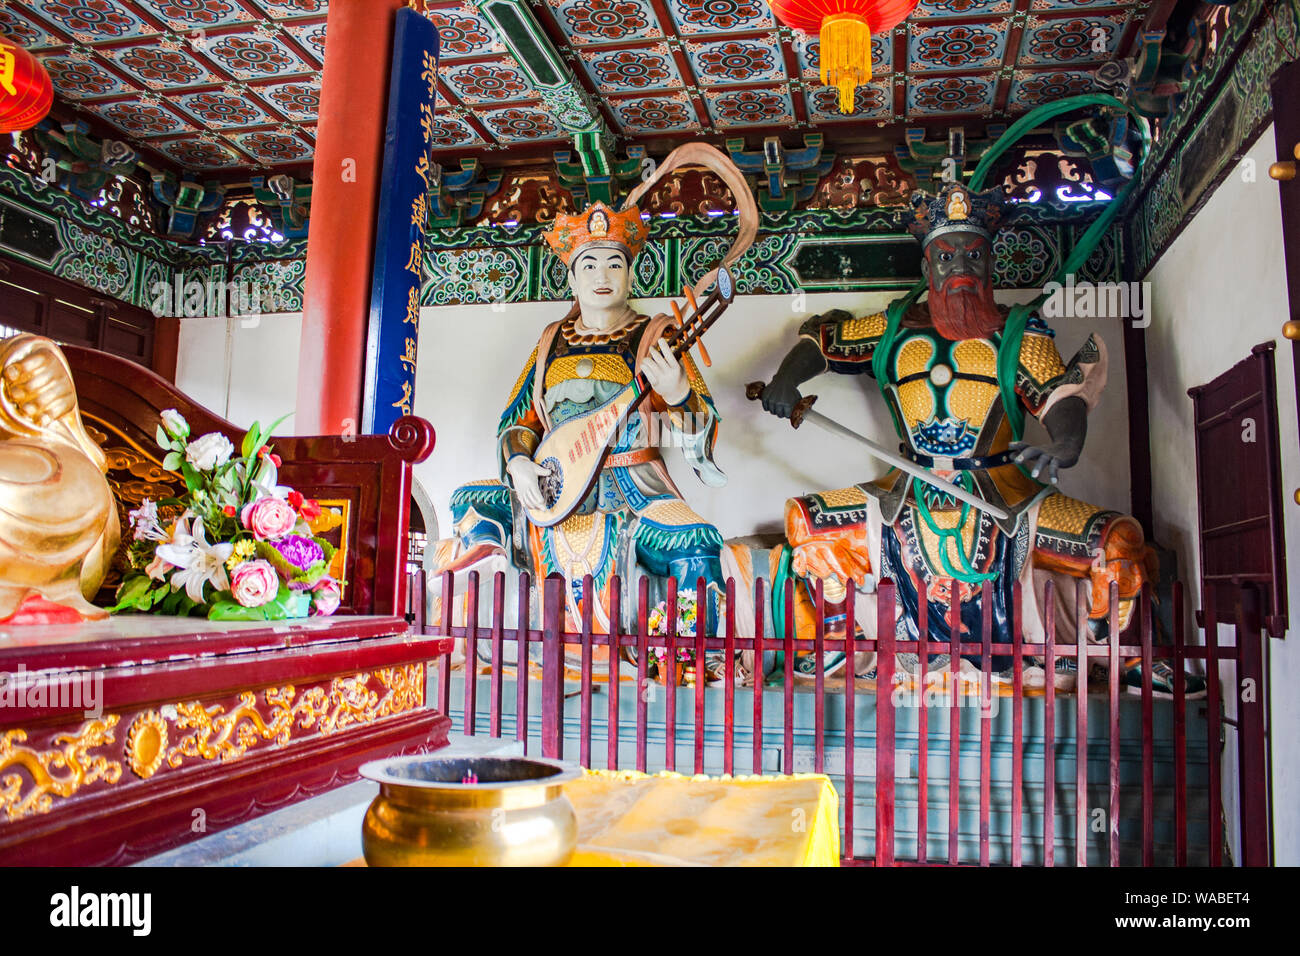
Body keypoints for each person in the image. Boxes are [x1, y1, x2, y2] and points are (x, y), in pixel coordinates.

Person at [754, 183, 1197, 694]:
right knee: (804, 520)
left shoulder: (1018, 334)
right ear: (926, 268)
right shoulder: (893, 328)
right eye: (945, 255)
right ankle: (835, 642)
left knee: (1118, 539)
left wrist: (1063, 447)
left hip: (1003, 490)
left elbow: (1063, 401)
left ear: (991, 265)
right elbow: (825, 340)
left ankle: (1124, 655)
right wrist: (789, 379)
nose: (960, 265)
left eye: (974, 253)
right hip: (905, 492)